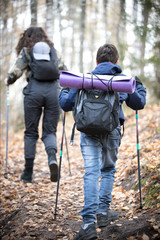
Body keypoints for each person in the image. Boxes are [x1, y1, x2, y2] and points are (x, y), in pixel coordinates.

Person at [59, 43, 146, 240]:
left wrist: (64, 90)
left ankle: (88, 223)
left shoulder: (84, 79)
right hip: (112, 131)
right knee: (108, 170)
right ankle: (102, 212)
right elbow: (139, 103)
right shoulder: (121, 81)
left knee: (92, 172)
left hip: (88, 132)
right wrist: (139, 86)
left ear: (96, 62)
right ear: (116, 62)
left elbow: (65, 104)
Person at [5, 27, 67, 183]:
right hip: (54, 92)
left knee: (31, 133)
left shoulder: (28, 51)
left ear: (27, 38)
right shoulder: (53, 51)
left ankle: (28, 173)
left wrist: (9, 80)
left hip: (34, 92)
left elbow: (16, 70)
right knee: (50, 132)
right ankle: (52, 159)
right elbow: (65, 71)